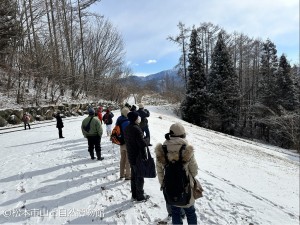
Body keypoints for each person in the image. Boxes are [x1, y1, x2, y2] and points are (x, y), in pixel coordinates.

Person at [155, 122, 198, 225]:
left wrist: (163, 184)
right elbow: (194, 171)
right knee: (190, 212)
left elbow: (159, 170)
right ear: (182, 134)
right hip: (186, 187)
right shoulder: (187, 149)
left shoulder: (162, 149)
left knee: (175, 212)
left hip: (170, 186)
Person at [124, 111, 150, 202]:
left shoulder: (127, 128)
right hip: (138, 156)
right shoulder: (136, 129)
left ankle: (134, 194)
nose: (139, 118)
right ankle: (140, 196)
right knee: (139, 176)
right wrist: (147, 140)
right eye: (138, 117)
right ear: (135, 118)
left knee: (134, 176)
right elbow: (142, 144)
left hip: (131, 155)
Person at [116, 107, 131, 180]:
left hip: (121, 142)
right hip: (128, 143)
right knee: (128, 160)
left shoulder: (119, 119)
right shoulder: (129, 121)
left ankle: (121, 174)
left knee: (122, 159)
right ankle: (128, 176)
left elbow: (117, 130)